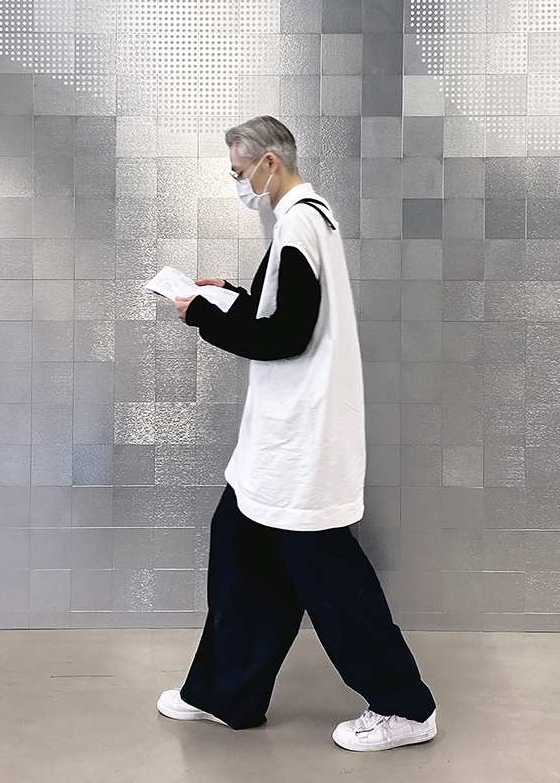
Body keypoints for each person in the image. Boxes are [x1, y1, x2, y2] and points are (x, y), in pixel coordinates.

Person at [154, 115, 438, 752]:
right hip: (278, 442)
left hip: (300, 442)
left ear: (269, 164)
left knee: (330, 580)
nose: (239, 184)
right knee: (239, 550)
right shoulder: (308, 218)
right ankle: (225, 694)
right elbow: (282, 311)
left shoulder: (299, 225)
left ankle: (406, 708)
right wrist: (227, 295)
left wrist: (201, 318)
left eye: (240, 173)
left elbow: (285, 336)